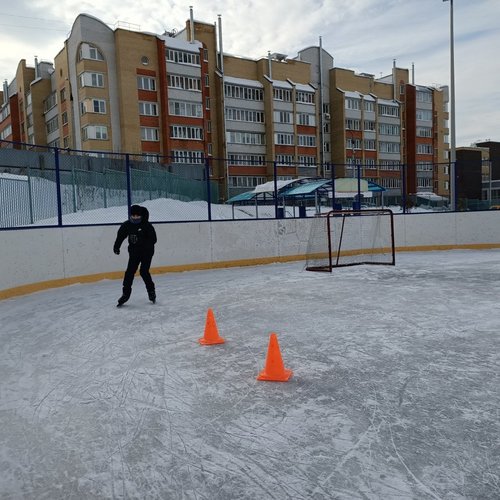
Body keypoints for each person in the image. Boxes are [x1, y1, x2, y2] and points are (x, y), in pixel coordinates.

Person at [113, 204, 157, 307]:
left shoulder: (147, 225)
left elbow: (154, 239)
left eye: (138, 216)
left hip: (147, 252)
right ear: (130, 215)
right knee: (129, 272)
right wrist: (116, 247)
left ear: (141, 216)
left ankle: (151, 292)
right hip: (134, 252)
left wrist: (143, 243)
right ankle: (125, 294)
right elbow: (120, 236)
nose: (135, 218)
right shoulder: (127, 225)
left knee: (143, 271)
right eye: (133, 216)